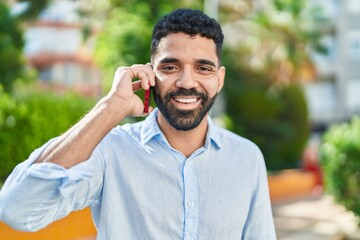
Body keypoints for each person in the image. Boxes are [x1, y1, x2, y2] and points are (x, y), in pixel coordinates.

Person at [0, 8, 276, 239]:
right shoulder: (110, 151)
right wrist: (110, 108)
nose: (187, 82)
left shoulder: (247, 157)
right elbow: (17, 210)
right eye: (170, 67)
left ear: (220, 78)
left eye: (203, 68)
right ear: (150, 73)